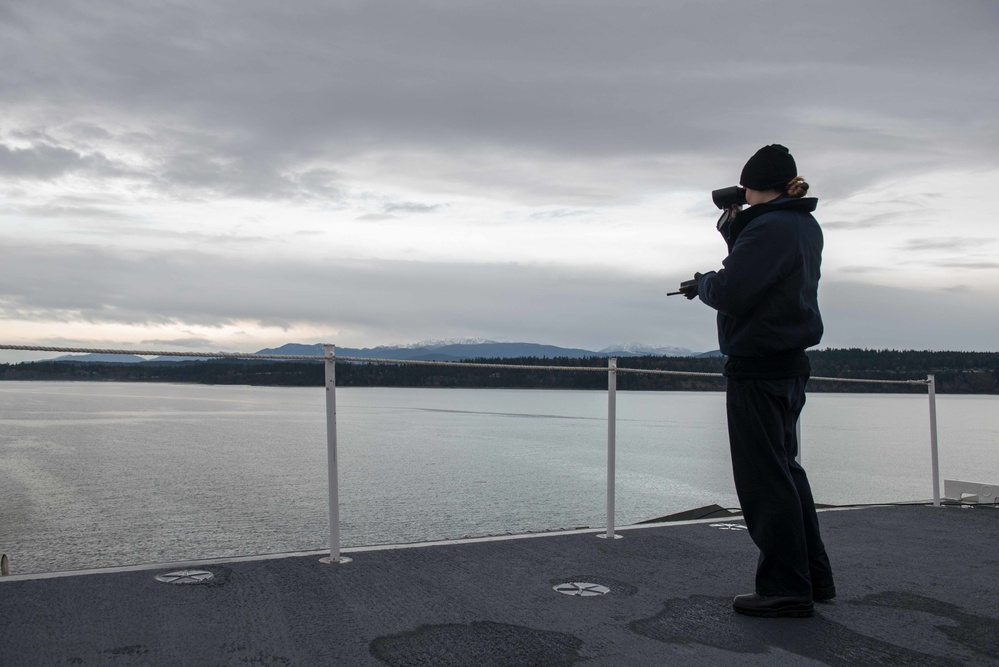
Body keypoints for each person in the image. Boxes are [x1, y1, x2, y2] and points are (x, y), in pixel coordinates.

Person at [679, 144, 834, 618]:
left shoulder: (768, 227)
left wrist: (704, 280)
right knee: (784, 469)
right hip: (787, 364)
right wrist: (736, 235)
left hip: (758, 366)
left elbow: (733, 290)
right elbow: (763, 278)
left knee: (765, 478)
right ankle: (813, 576)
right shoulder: (801, 224)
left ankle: (785, 587)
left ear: (752, 185)